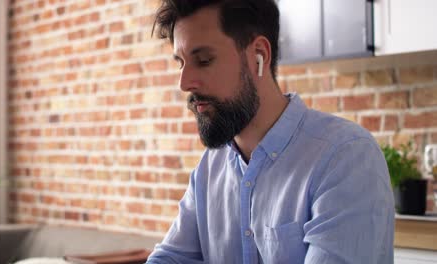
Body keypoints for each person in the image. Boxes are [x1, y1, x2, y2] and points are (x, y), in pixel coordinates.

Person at [146, 0, 395, 263]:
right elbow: (170, 257)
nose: (184, 83)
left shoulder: (346, 158)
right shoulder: (209, 169)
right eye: (181, 62)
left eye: (204, 60)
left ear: (259, 55)